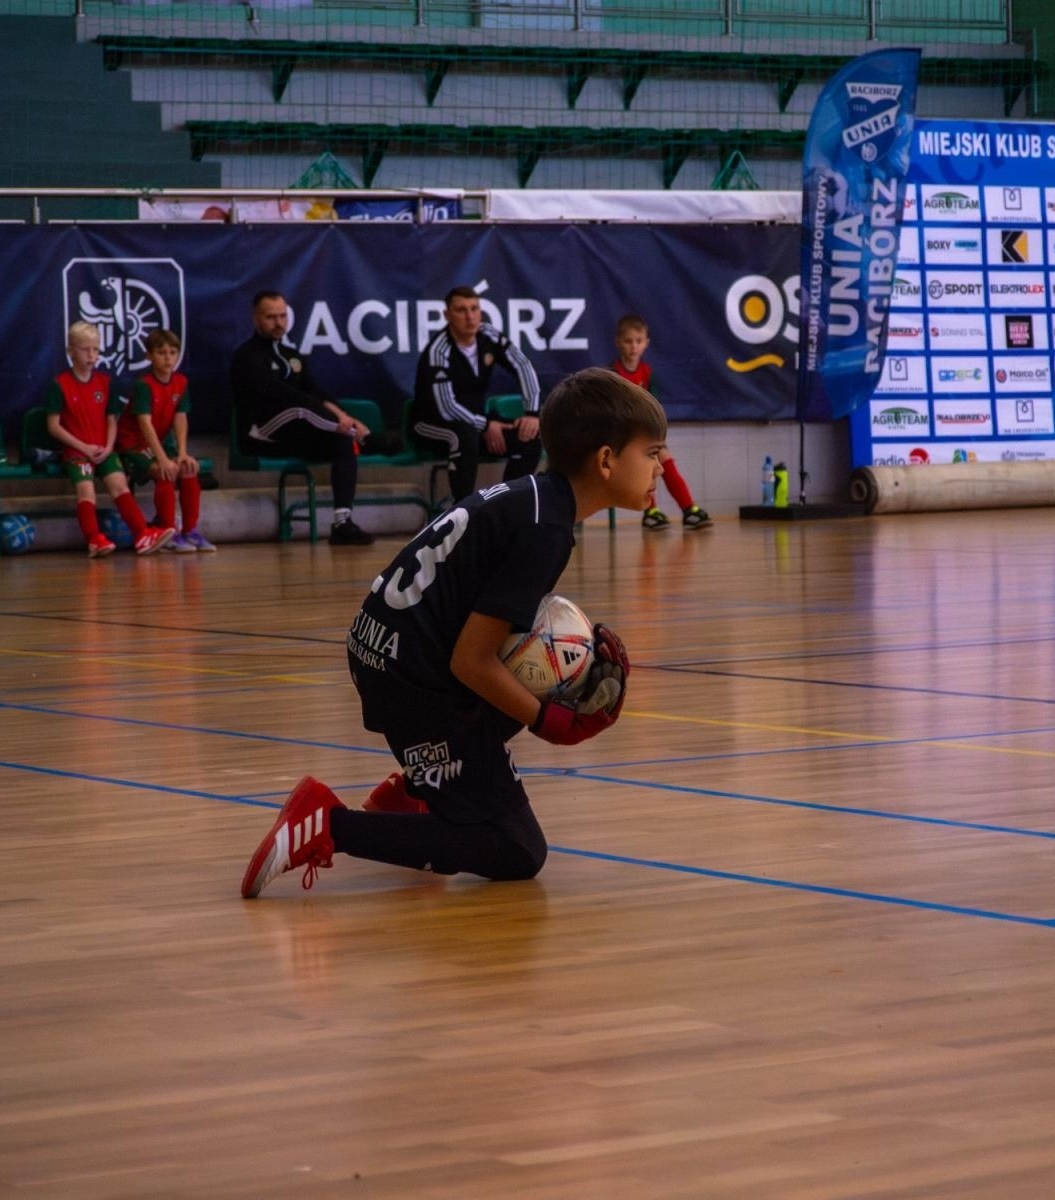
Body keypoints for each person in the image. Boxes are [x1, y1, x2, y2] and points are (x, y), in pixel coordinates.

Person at [240, 367, 666, 898]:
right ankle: (327, 823)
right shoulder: (546, 530)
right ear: (606, 460)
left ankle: (419, 792)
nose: (662, 467)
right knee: (515, 850)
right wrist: (546, 721)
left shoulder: (535, 498)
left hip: (386, 653)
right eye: (652, 453)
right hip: (412, 678)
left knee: (545, 683)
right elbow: (473, 662)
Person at [230, 290, 374, 546]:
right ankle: (369, 441)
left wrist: (346, 417)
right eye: (271, 317)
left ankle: (342, 522)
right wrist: (345, 424)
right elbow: (282, 394)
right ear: (256, 319)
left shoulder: (292, 355)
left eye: (283, 316)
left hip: (294, 434)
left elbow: (315, 391)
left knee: (340, 442)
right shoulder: (247, 356)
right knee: (302, 409)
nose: (278, 323)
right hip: (260, 433)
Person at [45, 322, 177, 559]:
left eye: (95, 349)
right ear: (70, 351)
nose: (91, 355)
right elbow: (53, 426)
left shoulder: (105, 382)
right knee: (86, 491)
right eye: (85, 349)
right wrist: (83, 447)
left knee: (120, 485)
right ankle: (94, 540)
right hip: (77, 451)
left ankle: (143, 534)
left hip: (103, 449)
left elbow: (112, 420)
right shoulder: (60, 384)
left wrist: (108, 447)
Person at [409, 286, 543, 503]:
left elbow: (523, 365)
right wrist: (486, 425)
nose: (470, 317)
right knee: (464, 435)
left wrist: (531, 413)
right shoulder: (438, 351)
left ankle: (508, 505)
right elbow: (447, 408)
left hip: (476, 422)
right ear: (447, 315)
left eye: (474, 309)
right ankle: (463, 514)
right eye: (461, 310)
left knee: (529, 436)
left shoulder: (488, 335)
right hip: (429, 425)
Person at [610, 313, 712, 531]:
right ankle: (651, 511)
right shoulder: (612, 374)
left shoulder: (648, 373)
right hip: (623, 436)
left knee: (664, 457)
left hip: (646, 433)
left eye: (638, 341)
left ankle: (688, 509)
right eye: (628, 341)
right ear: (618, 342)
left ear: (646, 343)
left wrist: (657, 437)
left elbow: (654, 409)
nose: (633, 347)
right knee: (644, 462)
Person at [119, 329, 214, 552]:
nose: (168, 358)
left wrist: (182, 452)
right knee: (167, 471)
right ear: (149, 356)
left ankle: (189, 531)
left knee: (188, 468)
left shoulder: (181, 382)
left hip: (159, 443)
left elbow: (180, 419)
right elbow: (145, 424)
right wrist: (162, 459)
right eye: (161, 353)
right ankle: (167, 530)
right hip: (133, 444)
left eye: (172, 352)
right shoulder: (144, 385)